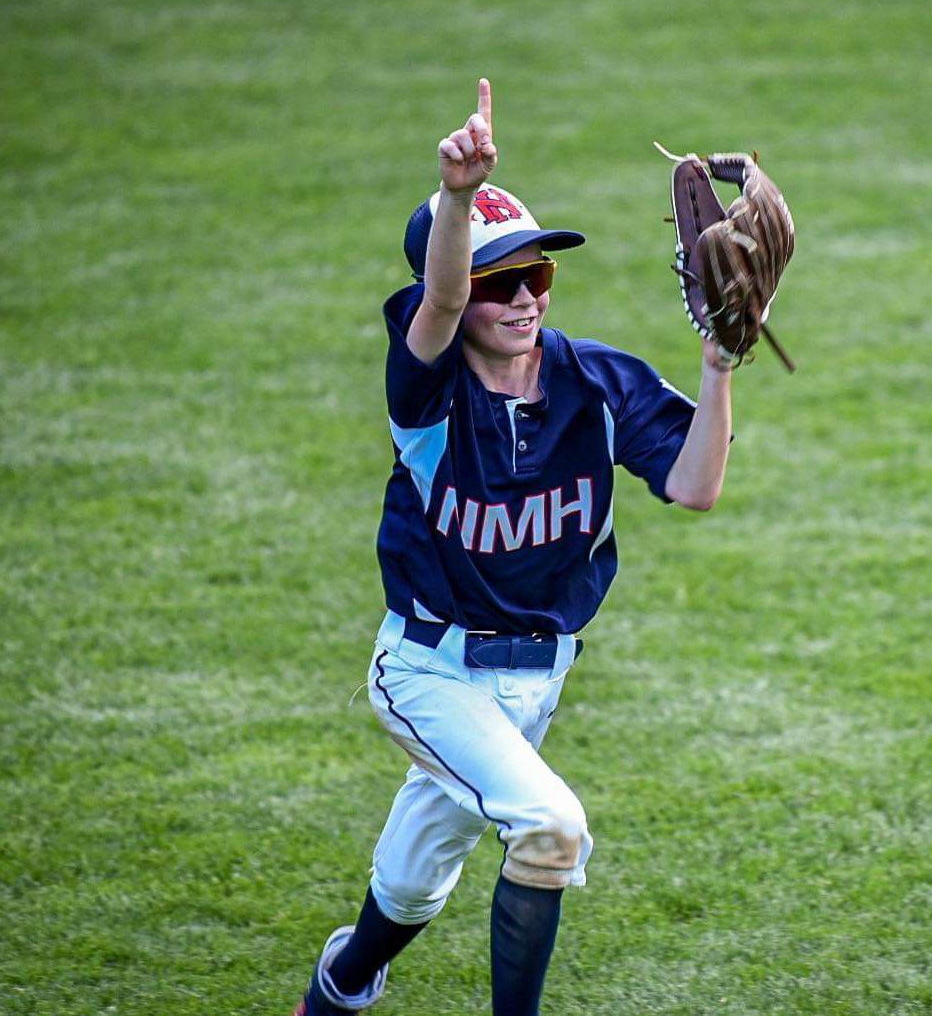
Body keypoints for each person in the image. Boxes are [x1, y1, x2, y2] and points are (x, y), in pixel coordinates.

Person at [294, 78, 734, 1016]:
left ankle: (341, 981)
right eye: (501, 282)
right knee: (548, 827)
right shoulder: (428, 394)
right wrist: (457, 197)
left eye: (538, 275)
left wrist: (717, 366)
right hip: (427, 670)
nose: (525, 296)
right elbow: (443, 299)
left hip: (539, 677)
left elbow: (695, 487)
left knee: (415, 879)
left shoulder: (598, 380)